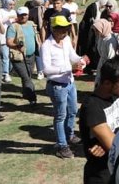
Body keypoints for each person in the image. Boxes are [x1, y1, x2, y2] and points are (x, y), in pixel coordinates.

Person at [79, 56, 119, 184]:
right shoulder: (92, 106)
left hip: (118, 171)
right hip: (101, 176)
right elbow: (117, 147)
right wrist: (111, 142)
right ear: (107, 83)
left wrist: (107, 143)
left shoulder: (117, 95)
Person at [41, 15, 88, 159]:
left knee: (73, 111)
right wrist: (68, 67)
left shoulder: (66, 40)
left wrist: (80, 61)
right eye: (62, 29)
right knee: (60, 116)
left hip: (69, 83)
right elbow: (46, 69)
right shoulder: (46, 46)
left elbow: (72, 55)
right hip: (57, 86)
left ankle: (70, 135)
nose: (65, 32)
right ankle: (62, 145)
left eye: (66, 29)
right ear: (53, 29)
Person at [5, 6, 39, 105]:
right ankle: (32, 98)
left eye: (25, 15)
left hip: (31, 56)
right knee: (26, 78)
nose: (23, 17)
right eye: (21, 15)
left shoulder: (32, 24)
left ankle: (25, 93)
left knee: (28, 75)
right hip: (18, 57)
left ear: (28, 15)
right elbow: (8, 42)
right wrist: (16, 46)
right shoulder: (13, 26)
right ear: (17, 16)